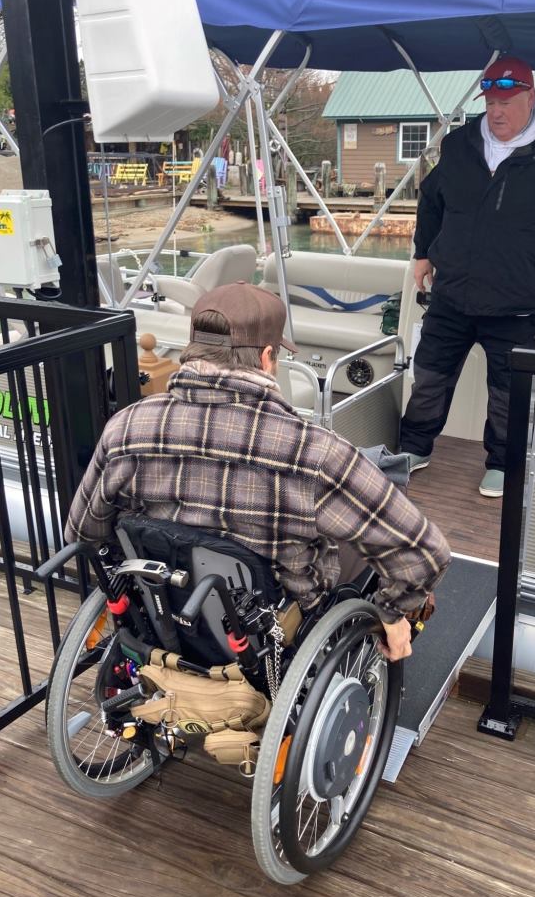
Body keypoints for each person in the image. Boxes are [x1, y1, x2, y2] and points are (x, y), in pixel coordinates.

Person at [66, 282, 451, 661]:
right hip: (274, 635)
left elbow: (83, 532)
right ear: (267, 357)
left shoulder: (126, 427)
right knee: (376, 526)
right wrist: (392, 613)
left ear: (193, 348)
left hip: (165, 613)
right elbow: (426, 553)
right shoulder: (313, 451)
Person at [399, 57, 535, 497]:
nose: (497, 112)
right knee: (429, 376)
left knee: (509, 393)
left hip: (522, 304)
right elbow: (432, 201)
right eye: (491, 102)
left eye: (507, 102)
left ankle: (501, 462)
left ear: (530, 98)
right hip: (452, 297)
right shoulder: (459, 145)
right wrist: (423, 253)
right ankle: (413, 448)